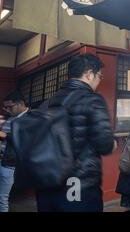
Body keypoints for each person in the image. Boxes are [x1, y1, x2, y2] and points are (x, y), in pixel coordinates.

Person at [35, 54, 115, 212]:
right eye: (99, 76)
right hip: (77, 184)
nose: (99, 81)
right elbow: (104, 145)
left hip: (46, 184)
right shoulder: (93, 100)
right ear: (89, 74)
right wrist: (113, 144)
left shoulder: (47, 103)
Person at [0, 92, 29, 212]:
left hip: (10, 164)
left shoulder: (31, 118)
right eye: (5, 107)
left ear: (20, 104)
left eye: (9, 107)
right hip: (3, 159)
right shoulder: (10, 117)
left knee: (2, 198)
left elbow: (27, 141)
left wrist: (4, 135)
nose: (7, 110)